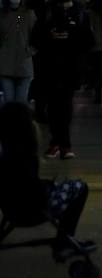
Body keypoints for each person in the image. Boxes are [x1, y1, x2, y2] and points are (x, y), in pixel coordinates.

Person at [0, 102, 94, 261]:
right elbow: (31, 188)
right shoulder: (24, 154)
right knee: (80, 188)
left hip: (11, 206)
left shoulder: (6, 152)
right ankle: (64, 240)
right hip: (32, 208)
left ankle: (64, 240)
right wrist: (47, 187)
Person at [30, 0, 92, 160]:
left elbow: (87, 40)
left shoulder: (78, 12)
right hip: (51, 66)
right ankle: (61, 143)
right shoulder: (47, 10)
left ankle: (60, 143)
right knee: (57, 106)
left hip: (66, 66)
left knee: (62, 106)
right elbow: (35, 36)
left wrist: (70, 37)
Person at [0, 0, 36, 106]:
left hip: (24, 63)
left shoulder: (29, 14)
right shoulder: (2, 15)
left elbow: (36, 36)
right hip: (5, 64)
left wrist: (30, 50)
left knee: (21, 102)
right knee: (9, 101)